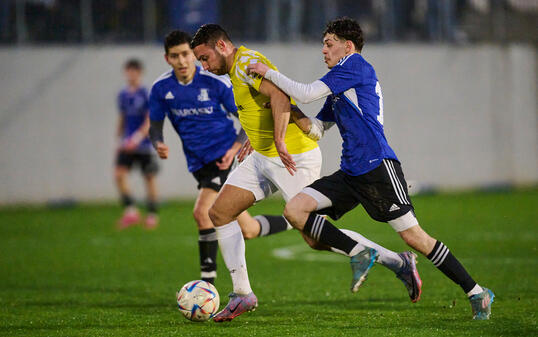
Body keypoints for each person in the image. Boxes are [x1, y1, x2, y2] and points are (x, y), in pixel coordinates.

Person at [247, 17, 494, 320]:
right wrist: (287, 105)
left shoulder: (355, 66)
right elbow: (315, 130)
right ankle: (361, 252)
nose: (323, 51)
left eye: (329, 44)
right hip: (350, 172)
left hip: (377, 167)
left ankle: (477, 292)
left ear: (347, 46)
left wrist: (268, 74)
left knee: (416, 238)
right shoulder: (339, 84)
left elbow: (308, 91)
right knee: (295, 211)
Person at [191, 24, 422, 322]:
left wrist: (276, 138)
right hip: (263, 157)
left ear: (222, 46)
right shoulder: (237, 68)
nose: (204, 66)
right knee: (220, 212)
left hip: (293, 157)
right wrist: (256, 136)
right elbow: (258, 105)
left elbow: (279, 97)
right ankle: (242, 294)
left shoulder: (246, 63)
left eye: (204, 58)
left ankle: (398, 262)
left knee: (315, 236)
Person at [148, 30, 292, 285]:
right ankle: (293, 220)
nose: (182, 61)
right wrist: (158, 143)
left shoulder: (214, 83)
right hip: (199, 164)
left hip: (226, 158)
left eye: (186, 55)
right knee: (247, 229)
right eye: (175, 56)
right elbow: (155, 126)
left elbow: (243, 118)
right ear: (166, 58)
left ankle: (206, 286)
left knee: (202, 212)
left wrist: (233, 148)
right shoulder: (161, 89)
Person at [115, 58, 159, 230]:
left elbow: (149, 120)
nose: (131, 74)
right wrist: (120, 139)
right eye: (128, 71)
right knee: (119, 174)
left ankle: (152, 215)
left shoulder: (145, 93)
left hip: (143, 144)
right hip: (127, 144)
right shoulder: (123, 95)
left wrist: (136, 138)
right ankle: (131, 211)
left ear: (139, 73)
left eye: (134, 71)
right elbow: (122, 117)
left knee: (149, 178)